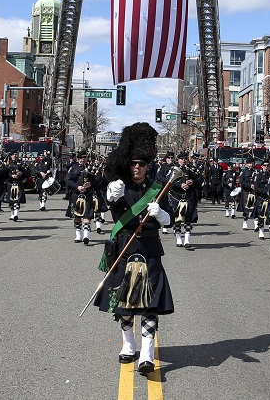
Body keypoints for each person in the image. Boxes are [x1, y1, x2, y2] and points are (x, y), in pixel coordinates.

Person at [95, 122, 174, 376]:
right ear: (127, 164)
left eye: (141, 163)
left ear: (148, 164)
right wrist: (109, 195)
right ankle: (129, 345)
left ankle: (147, 353)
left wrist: (161, 213)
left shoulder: (157, 188)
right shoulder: (118, 186)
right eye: (133, 163)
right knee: (125, 304)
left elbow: (171, 219)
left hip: (150, 251)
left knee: (150, 305)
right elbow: (106, 205)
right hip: (125, 250)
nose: (137, 167)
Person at [168, 152, 201, 248]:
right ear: (178, 160)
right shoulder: (173, 169)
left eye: (185, 159)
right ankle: (178, 238)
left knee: (188, 219)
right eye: (181, 159)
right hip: (176, 197)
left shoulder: (192, 169)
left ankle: (187, 240)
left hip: (189, 197)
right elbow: (168, 181)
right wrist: (180, 185)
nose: (183, 161)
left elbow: (200, 179)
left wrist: (193, 181)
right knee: (177, 219)